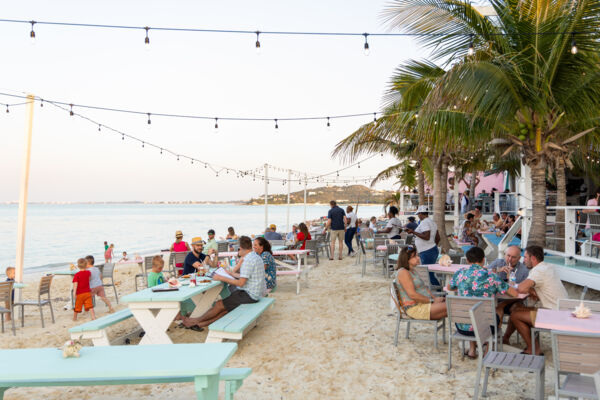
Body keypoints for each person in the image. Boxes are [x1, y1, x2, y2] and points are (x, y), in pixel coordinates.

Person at [448, 247, 518, 358]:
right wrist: (509, 279)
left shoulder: (460, 274)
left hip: (462, 327)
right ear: (483, 260)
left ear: (467, 260)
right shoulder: (491, 276)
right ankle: (488, 350)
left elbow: (449, 287)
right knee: (498, 309)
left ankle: (472, 350)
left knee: (471, 310)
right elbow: (514, 294)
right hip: (485, 328)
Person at [182, 236, 266, 329]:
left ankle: (196, 320)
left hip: (249, 294)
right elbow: (246, 277)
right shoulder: (256, 257)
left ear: (241, 248)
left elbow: (241, 283)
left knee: (219, 304)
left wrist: (221, 277)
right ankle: (199, 324)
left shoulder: (248, 260)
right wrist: (231, 274)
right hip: (255, 293)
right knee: (225, 309)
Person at [509, 245, 569, 355]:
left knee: (515, 315)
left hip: (554, 314)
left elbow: (522, 288)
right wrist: (531, 290)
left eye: (525, 257)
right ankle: (505, 338)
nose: (524, 260)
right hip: (562, 310)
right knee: (516, 308)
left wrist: (512, 286)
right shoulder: (547, 267)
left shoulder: (538, 271)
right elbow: (540, 287)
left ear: (533, 258)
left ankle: (534, 349)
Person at [395, 247, 447, 320]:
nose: (418, 258)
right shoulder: (403, 272)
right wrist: (432, 301)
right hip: (415, 308)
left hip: (423, 304)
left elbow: (424, 288)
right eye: (415, 256)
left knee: (453, 303)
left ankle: (463, 330)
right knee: (452, 306)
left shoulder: (412, 271)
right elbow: (413, 295)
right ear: (407, 258)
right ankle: (463, 330)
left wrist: (435, 299)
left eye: (418, 255)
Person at [405, 206, 440, 286]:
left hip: (427, 251)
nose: (418, 216)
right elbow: (438, 238)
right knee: (429, 273)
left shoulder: (425, 222)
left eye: (418, 214)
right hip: (431, 250)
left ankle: (440, 292)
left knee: (428, 275)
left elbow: (426, 237)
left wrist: (413, 232)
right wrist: (432, 246)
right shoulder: (432, 222)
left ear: (421, 214)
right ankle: (437, 292)